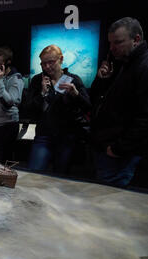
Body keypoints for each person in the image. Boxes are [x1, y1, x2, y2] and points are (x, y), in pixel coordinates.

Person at [90, 17, 148, 187]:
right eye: (110, 43)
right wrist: (102, 81)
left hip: (119, 154)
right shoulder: (126, 62)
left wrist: (118, 149)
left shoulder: (143, 66)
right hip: (108, 147)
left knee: (110, 202)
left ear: (136, 39)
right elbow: (99, 100)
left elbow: (144, 117)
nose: (112, 48)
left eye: (118, 42)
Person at [25, 44, 92, 174]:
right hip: (44, 135)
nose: (47, 67)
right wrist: (42, 94)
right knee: (33, 173)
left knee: (60, 177)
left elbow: (87, 106)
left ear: (61, 59)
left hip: (66, 137)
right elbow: (28, 109)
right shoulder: (37, 80)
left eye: (51, 62)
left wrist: (76, 94)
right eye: (43, 64)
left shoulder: (73, 80)